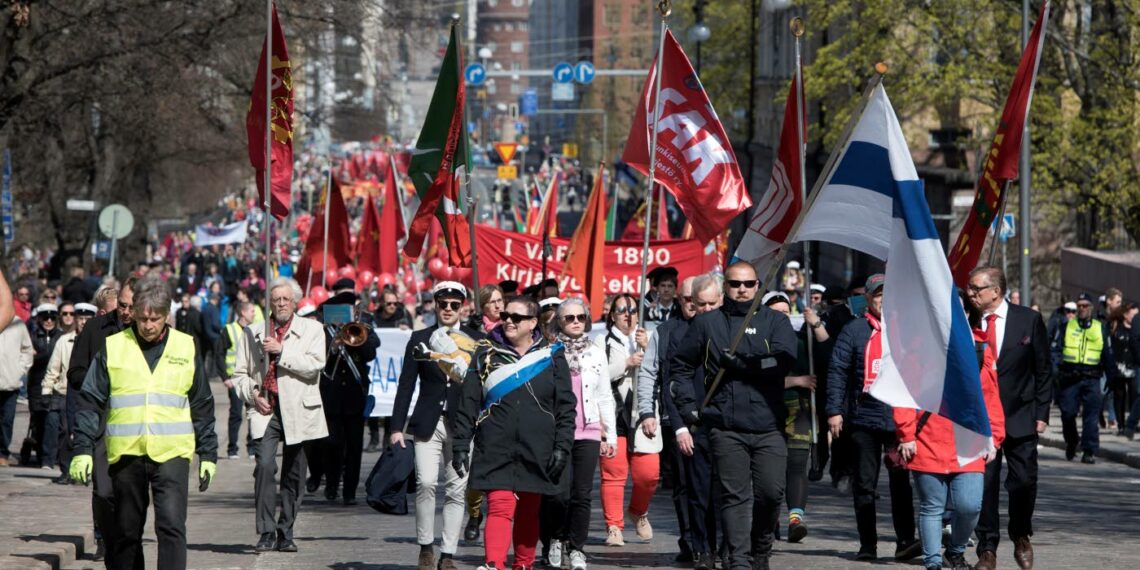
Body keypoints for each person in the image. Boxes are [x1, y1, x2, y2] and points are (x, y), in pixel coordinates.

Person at [70, 275, 218, 569]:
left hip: (172, 454)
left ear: (167, 316)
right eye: (143, 319)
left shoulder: (186, 346)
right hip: (127, 454)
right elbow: (89, 400)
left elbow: (201, 402)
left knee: (172, 527)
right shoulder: (114, 347)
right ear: (134, 314)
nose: (148, 325)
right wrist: (83, 449)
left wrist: (208, 453)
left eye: (155, 319)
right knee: (126, 533)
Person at [671, 262, 798, 570]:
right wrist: (688, 407)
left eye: (748, 283)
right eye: (735, 284)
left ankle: (760, 547)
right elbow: (680, 366)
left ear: (758, 286)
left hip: (768, 425)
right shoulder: (707, 323)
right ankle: (739, 561)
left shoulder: (775, 322)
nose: (742, 289)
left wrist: (745, 364)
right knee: (734, 497)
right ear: (725, 286)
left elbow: (783, 362)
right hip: (725, 427)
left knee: (771, 493)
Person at [451, 296, 576, 570]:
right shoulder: (485, 353)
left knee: (529, 511)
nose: (508, 320)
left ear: (533, 323)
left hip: (538, 445)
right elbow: (469, 401)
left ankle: (523, 565)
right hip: (495, 444)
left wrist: (562, 446)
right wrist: (460, 443)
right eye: (506, 315)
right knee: (500, 504)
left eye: (516, 317)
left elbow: (566, 406)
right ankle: (493, 564)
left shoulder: (553, 355)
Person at [897, 291, 1006, 570]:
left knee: (970, 506)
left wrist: (994, 436)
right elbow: (905, 394)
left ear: (966, 314)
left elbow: (990, 396)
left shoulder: (980, 347)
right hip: (928, 438)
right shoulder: (917, 348)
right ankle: (933, 562)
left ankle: (955, 550)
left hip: (969, 441)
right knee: (932, 506)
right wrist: (906, 433)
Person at [825, 274, 920, 563]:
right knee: (865, 484)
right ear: (867, 298)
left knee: (900, 482)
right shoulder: (854, 330)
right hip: (863, 420)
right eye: (878, 295)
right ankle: (868, 544)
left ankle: (905, 541)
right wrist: (834, 411)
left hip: (897, 420)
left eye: (888, 294)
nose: (883, 299)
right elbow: (838, 370)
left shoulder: (906, 329)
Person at [390, 281, 484, 570]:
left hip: (462, 425)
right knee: (426, 483)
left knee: (457, 490)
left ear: (463, 307)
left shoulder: (476, 340)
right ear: (435, 304)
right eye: (443, 304)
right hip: (428, 422)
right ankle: (425, 547)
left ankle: (448, 554)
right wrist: (396, 427)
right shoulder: (420, 337)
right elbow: (406, 385)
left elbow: (482, 386)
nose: (448, 309)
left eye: (454, 305)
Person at [964, 266, 1052, 570]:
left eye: (976, 289)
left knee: (1023, 482)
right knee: (984, 485)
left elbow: (1043, 369)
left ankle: (1021, 534)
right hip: (981, 418)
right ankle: (987, 548)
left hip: (1020, 415)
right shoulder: (966, 320)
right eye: (970, 289)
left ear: (995, 292)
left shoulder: (1028, 319)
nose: (971, 293)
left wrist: (1042, 412)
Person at [231, 277, 328, 553]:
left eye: (286, 299)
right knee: (263, 466)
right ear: (269, 303)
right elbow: (239, 374)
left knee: (295, 474)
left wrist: (282, 350)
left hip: (299, 409)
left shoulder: (312, 329)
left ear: (295, 302)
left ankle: (286, 531)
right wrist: (253, 394)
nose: (281, 304)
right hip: (267, 409)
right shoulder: (252, 333)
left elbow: (315, 366)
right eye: (276, 299)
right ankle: (266, 530)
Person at [539, 297, 617, 570]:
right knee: (558, 493)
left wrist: (611, 435)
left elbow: (605, 395)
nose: (575, 322)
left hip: (590, 429)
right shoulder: (548, 351)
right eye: (569, 318)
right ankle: (555, 538)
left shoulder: (596, 352)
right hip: (557, 432)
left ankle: (577, 547)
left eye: (580, 317)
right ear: (558, 321)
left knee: (582, 494)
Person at [68, 278, 136, 562]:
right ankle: (104, 538)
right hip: (102, 420)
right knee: (104, 489)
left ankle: (126, 538)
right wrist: (100, 382)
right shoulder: (96, 329)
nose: (126, 312)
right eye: (122, 305)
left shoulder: (148, 332)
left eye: (132, 307)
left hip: (135, 422)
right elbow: (75, 372)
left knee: (130, 489)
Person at [637, 276, 697, 563]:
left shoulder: (720, 328)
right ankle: (689, 541)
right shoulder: (666, 331)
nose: (692, 304)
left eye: (696, 299)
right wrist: (647, 412)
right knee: (683, 485)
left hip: (715, 420)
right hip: (674, 419)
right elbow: (649, 373)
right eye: (686, 299)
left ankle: (713, 540)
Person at [669, 273, 726, 569]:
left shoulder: (733, 330)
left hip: (728, 422)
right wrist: (681, 425)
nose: (704, 309)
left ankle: (728, 549)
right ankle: (703, 548)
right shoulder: (679, 333)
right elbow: (672, 383)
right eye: (698, 303)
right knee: (699, 491)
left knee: (727, 492)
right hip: (695, 424)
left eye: (711, 304)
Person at [762, 291, 828, 544]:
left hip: (799, 411)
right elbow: (757, 373)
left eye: (786, 313)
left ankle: (795, 519)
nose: (782, 318)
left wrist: (816, 324)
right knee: (771, 471)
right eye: (776, 313)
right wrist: (794, 381)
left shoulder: (803, 339)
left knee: (797, 465)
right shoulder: (758, 341)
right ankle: (769, 518)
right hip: (767, 411)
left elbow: (828, 351)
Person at [596, 292, 658, 547]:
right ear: (612, 315)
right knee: (613, 472)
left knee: (649, 473)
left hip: (643, 411)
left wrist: (647, 347)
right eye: (621, 310)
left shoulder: (650, 336)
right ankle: (614, 526)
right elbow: (598, 375)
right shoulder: (602, 341)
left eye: (632, 310)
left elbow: (658, 370)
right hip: (614, 411)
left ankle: (638, 511)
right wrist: (626, 363)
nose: (627, 315)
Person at [316, 289, 380, 505]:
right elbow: (317, 359)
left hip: (354, 395)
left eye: (351, 308)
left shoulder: (364, 326)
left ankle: (350, 491)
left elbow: (371, 352)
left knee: (354, 446)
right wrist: (333, 347)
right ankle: (332, 485)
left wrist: (356, 336)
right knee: (332, 443)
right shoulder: (324, 332)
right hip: (331, 396)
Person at [1051, 291, 1114, 464]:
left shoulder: (1100, 327)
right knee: (1068, 413)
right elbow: (1055, 350)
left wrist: (1111, 376)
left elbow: (1107, 354)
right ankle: (1072, 442)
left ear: (1091, 308)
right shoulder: (1067, 326)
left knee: (1091, 416)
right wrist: (1056, 370)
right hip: (1070, 377)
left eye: (1085, 305)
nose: (1082, 308)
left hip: (1092, 377)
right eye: (1079, 306)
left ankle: (1089, 450)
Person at [42, 302, 97, 482]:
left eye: (86, 319)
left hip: (89, 394)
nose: (82, 322)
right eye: (79, 318)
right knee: (66, 431)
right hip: (66, 392)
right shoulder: (64, 341)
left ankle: (86, 470)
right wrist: (46, 390)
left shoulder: (97, 341)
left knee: (86, 430)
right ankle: (66, 470)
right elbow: (54, 368)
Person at [216, 301, 256, 460]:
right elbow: (219, 354)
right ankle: (232, 449)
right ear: (243, 313)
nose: (254, 314)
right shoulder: (229, 330)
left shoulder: (254, 330)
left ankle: (252, 447)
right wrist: (225, 378)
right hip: (234, 380)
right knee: (236, 415)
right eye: (252, 311)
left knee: (253, 413)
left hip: (251, 379)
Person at [28, 303, 64, 467]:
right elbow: (28, 357)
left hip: (54, 384)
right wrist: (44, 356)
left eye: (52, 318)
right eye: (45, 318)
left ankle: (50, 456)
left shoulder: (60, 337)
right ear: (39, 319)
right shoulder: (32, 336)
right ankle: (39, 452)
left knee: (52, 420)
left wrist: (40, 355)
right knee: (38, 419)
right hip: (36, 384)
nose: (48, 321)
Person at [0, 313, 33, 467]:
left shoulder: (17, 323)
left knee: (7, 420)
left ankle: (3, 453)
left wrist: (20, 370)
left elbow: (27, 349)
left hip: (10, 381)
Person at [1108, 303, 1137, 437]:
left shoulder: (1136, 329)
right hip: (1119, 367)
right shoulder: (1116, 328)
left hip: (1133, 367)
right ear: (1125, 315)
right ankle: (1121, 425)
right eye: (1133, 314)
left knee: (1134, 395)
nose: (1136, 317)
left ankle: (1132, 423)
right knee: (1119, 396)